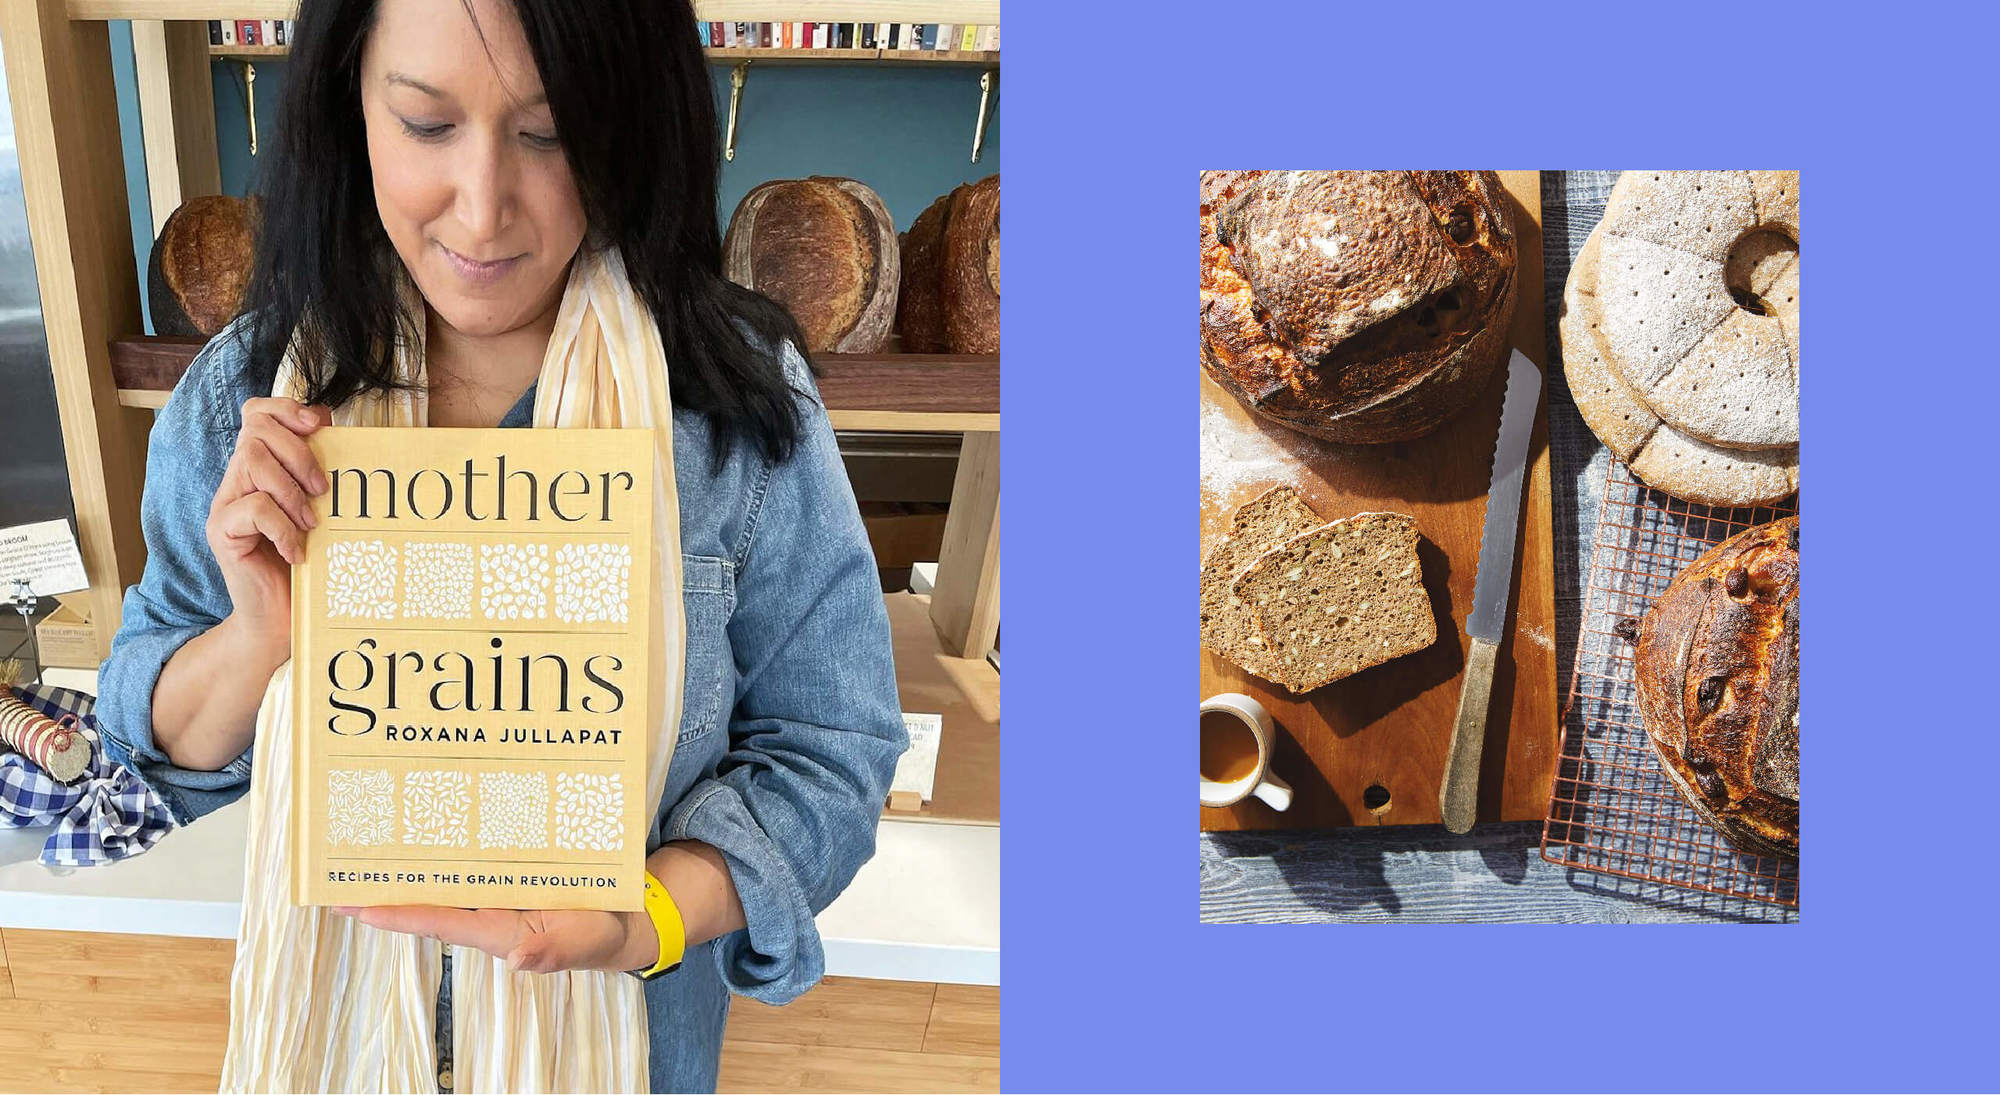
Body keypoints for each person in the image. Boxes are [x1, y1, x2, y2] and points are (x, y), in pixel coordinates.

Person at [91, 0, 905, 1089]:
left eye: (550, 132)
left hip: (626, 1047)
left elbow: (829, 751)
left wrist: (646, 919)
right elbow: (147, 754)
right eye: (426, 125)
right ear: (348, 110)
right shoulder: (249, 396)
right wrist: (257, 637)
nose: (482, 214)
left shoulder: (729, 405)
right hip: (330, 1045)